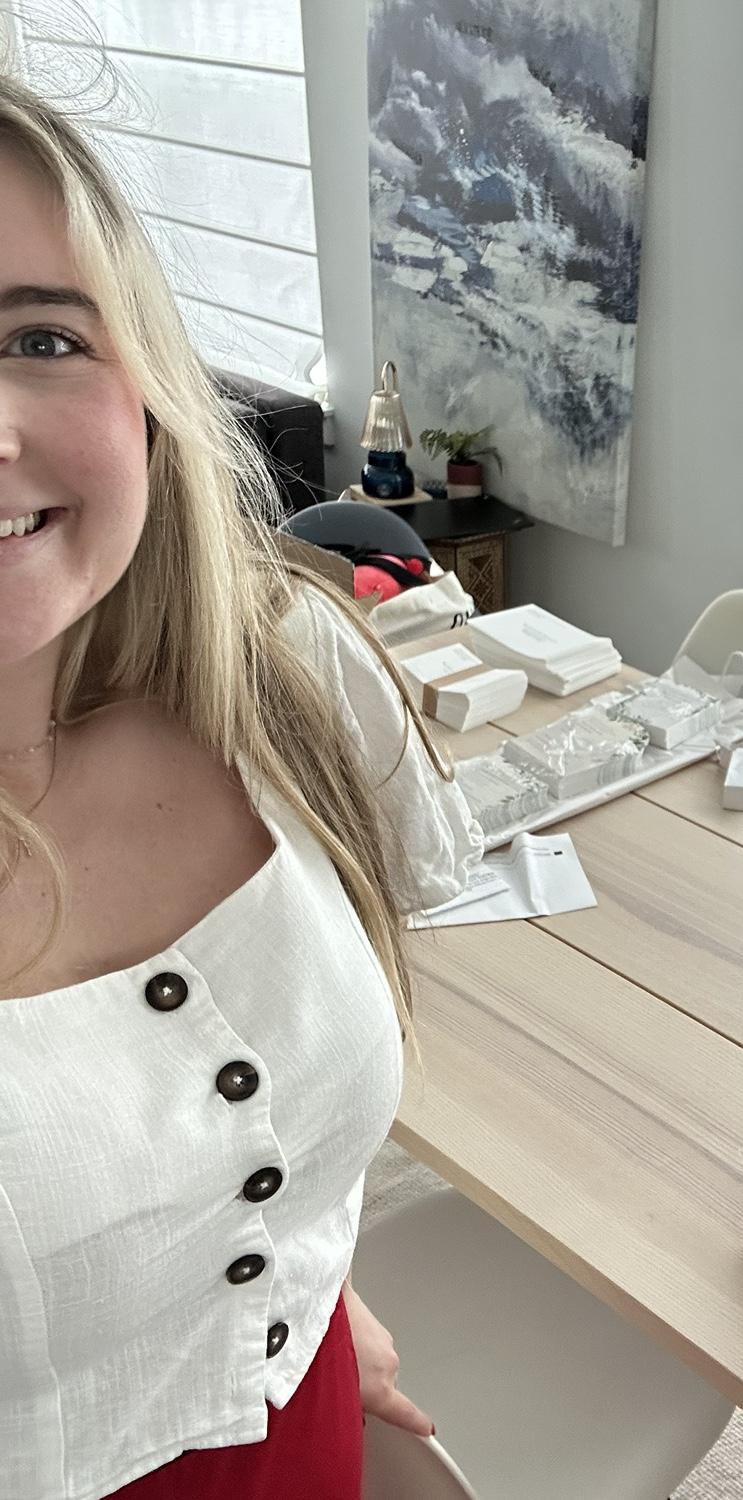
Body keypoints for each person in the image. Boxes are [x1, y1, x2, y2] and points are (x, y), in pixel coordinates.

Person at [0, 72, 482, 1498]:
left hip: (303, 1435)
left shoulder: (280, 680)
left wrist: (311, 1277)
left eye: (38, 337)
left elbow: (285, 1121)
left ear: (147, 385)